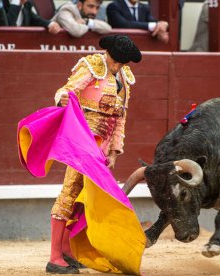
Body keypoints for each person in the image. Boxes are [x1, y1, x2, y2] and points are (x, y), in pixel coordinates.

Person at [47, 34, 141, 274]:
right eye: (116, 60)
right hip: (82, 140)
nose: (118, 66)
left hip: (102, 147)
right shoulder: (91, 66)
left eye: (123, 62)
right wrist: (63, 98)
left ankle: (67, 250)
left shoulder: (124, 77)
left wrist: (115, 151)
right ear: (107, 54)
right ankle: (54, 257)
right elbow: (65, 91)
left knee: (85, 197)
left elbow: (120, 118)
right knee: (70, 192)